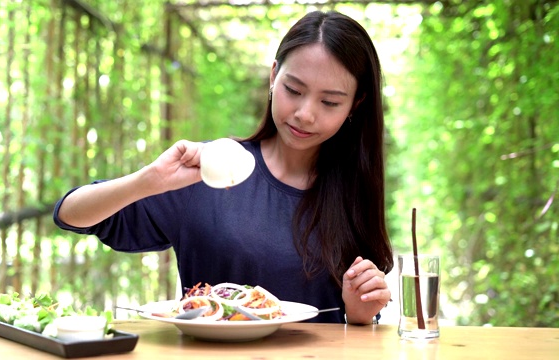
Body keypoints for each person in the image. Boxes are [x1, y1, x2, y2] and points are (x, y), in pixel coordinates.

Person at [53, 10, 393, 324]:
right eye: (294, 89)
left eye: (329, 102)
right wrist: (149, 180)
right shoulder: (214, 170)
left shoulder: (353, 192)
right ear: (274, 76)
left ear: (355, 105)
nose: (305, 113)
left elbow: (357, 325)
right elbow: (70, 214)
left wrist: (360, 313)